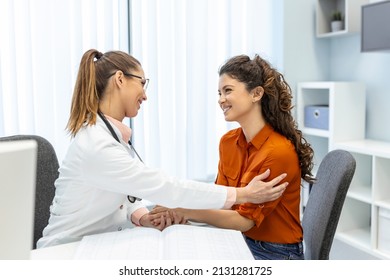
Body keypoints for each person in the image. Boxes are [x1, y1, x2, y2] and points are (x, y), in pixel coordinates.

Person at [36, 49, 288, 248]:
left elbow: (124, 192)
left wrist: (142, 216)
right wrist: (243, 194)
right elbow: (165, 187)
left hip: (98, 243)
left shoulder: (111, 136)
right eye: (142, 83)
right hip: (68, 251)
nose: (145, 95)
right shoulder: (96, 145)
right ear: (120, 79)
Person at [151, 54, 315, 260]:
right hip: (237, 238)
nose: (220, 99)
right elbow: (222, 199)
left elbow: (244, 221)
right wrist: (178, 211)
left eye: (228, 90)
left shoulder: (277, 152)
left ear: (256, 94)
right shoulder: (228, 142)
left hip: (274, 251)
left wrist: (184, 211)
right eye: (219, 92)